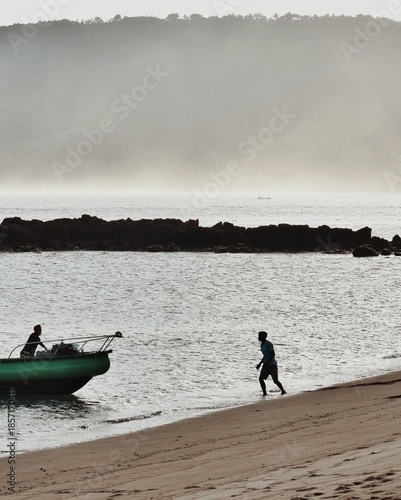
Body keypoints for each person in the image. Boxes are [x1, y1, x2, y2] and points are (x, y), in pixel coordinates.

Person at [256, 331, 286, 396]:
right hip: (266, 365)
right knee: (261, 378)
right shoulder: (262, 345)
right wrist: (260, 363)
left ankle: (283, 390)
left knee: (275, 380)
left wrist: (267, 361)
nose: (258, 337)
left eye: (259, 336)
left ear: (263, 337)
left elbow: (272, 354)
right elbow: (265, 355)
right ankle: (264, 393)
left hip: (272, 365)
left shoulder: (268, 344)